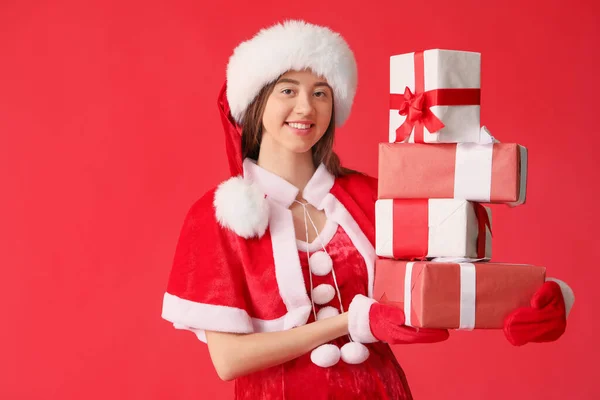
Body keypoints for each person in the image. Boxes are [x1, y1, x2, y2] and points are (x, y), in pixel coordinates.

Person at [161, 20, 573, 399]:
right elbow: (229, 360)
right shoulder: (218, 214)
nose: (306, 108)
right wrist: (352, 322)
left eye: (320, 92)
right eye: (288, 90)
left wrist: (544, 298)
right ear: (255, 103)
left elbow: (453, 276)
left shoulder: (375, 197)